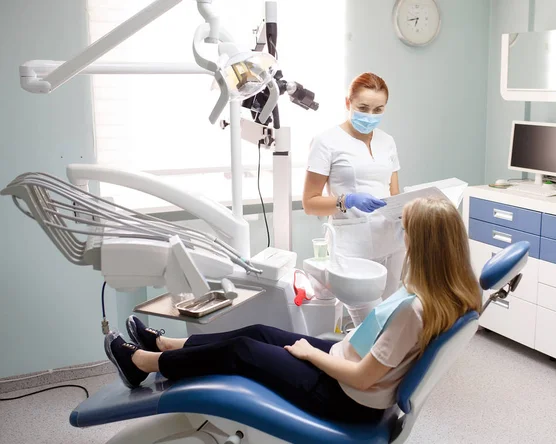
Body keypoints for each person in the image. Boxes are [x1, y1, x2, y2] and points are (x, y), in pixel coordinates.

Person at [104, 197, 481, 423]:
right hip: (344, 367)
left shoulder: (414, 311)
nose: (404, 236)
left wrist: (311, 354)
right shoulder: (446, 294)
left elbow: (364, 379)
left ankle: (141, 364)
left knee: (241, 353)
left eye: (407, 230)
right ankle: (167, 345)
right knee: (257, 332)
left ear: (427, 245)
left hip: (344, 398)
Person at [303, 72, 404, 302]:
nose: (370, 115)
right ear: (348, 103)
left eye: (378, 110)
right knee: (360, 314)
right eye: (363, 107)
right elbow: (310, 203)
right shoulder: (326, 141)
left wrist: (406, 216)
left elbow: (394, 194)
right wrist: (346, 201)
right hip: (352, 243)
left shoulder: (387, 141)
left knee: (388, 312)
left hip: (391, 241)